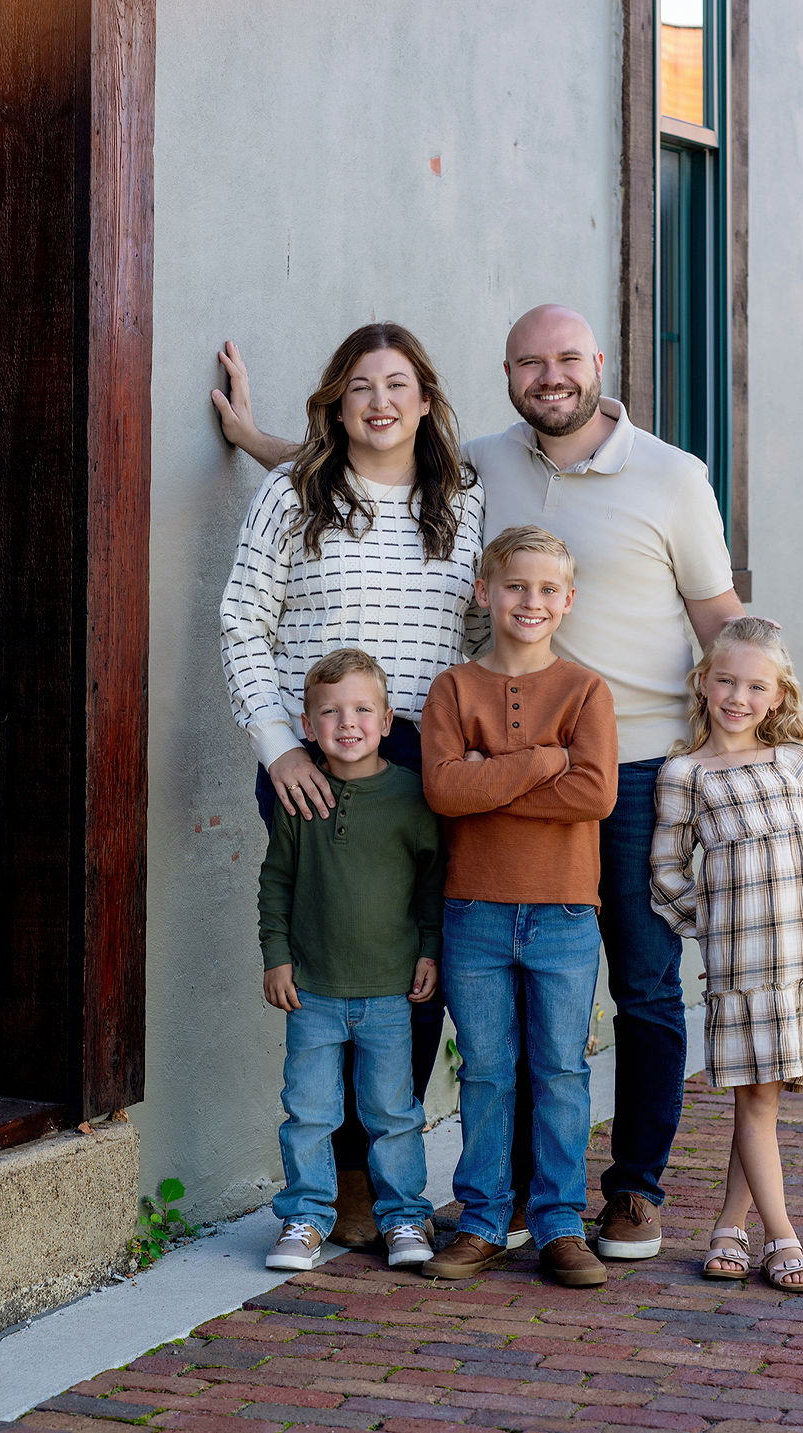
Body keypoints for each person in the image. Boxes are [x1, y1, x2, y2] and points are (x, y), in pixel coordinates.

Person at [213, 303, 749, 1258]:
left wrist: (764, 732)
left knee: (547, 979)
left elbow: (715, 614)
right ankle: (371, 1184)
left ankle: (604, 1190)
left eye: (400, 388)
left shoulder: (589, 483)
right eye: (530, 362)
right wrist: (257, 439)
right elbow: (312, 524)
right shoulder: (402, 482)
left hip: (539, 760)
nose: (382, 404)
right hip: (376, 761)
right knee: (374, 971)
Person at [220, 323, 486, 1247]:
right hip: (315, 761)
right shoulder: (295, 495)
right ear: (337, 401)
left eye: (399, 384)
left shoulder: (462, 501)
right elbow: (243, 622)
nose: (381, 401)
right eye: (361, 386)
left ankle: (382, 1171)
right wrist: (276, 748)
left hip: (427, 760)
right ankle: (331, 1180)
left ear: (425, 400)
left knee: (415, 970)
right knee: (328, 962)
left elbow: (485, 636)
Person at [649, 617, 803, 1292]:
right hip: (740, 967)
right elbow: (666, 875)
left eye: (755, 685)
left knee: (763, 1103)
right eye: (726, 680)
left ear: (777, 695)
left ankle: (729, 1226)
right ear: (703, 682)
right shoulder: (685, 773)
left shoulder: (796, 759)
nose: (738, 696)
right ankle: (784, 1239)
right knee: (756, 1102)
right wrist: (715, 922)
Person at [419, 527, 618, 1287]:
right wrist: (542, 761)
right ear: (484, 592)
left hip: (565, 912)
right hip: (474, 911)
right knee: (487, 1070)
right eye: (514, 586)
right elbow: (445, 790)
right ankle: (482, 1219)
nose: (529, 602)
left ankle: (561, 1222)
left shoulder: (585, 689)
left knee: (561, 1070)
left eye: (546, 590)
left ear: (566, 601)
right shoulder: (453, 689)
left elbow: (594, 792)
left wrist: (489, 780)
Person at [261, 648, 444, 1272]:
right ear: (306, 725)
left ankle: (403, 1218)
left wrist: (429, 951)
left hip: (390, 991)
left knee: (393, 1114)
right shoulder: (299, 798)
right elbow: (276, 883)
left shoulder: (411, 797)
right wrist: (276, 957)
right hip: (312, 990)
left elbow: (430, 887)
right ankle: (306, 1217)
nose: (348, 723)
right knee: (309, 1112)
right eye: (330, 712)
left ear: (388, 719)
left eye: (363, 709)